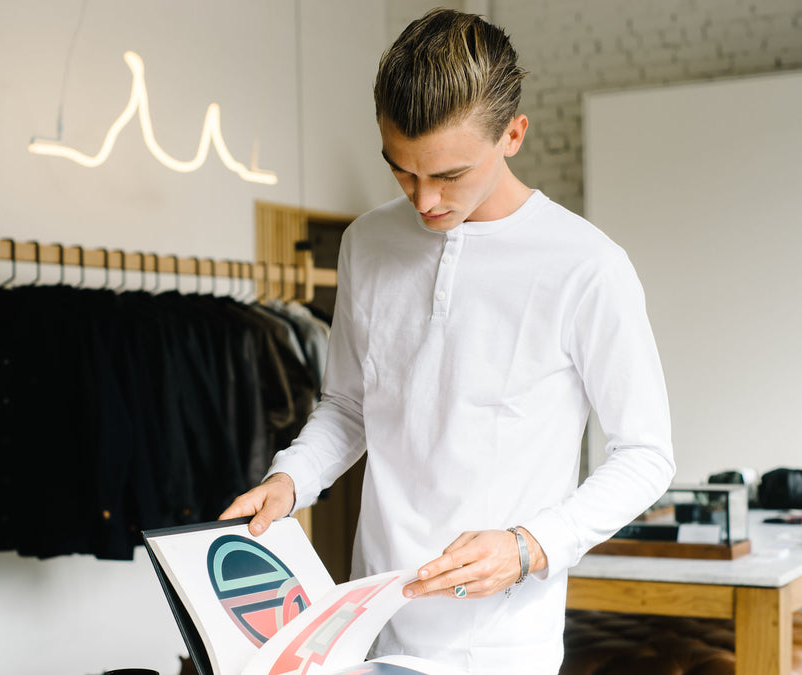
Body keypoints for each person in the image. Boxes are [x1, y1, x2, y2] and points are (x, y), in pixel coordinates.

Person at [221, 8, 675, 674]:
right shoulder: (367, 243)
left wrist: (529, 546)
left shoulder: (587, 266)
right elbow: (350, 405)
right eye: (402, 171)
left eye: (449, 175)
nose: (425, 200)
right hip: (370, 621)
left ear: (513, 134)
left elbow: (646, 455)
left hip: (502, 644)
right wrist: (294, 477)